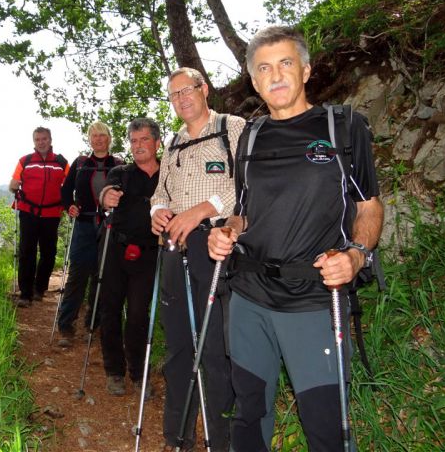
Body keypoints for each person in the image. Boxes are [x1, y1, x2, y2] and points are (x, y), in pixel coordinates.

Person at [207, 26, 384, 451]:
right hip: (249, 297)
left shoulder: (341, 126)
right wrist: (227, 231)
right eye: (264, 68)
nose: (276, 75)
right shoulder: (249, 136)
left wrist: (357, 256)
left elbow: (369, 206)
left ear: (306, 70)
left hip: (313, 298)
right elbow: (245, 212)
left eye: (286, 63)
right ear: (254, 81)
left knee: (326, 427)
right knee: (249, 415)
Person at [150, 67, 246, 452]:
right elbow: (161, 191)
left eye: (186, 90)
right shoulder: (171, 143)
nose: (181, 99)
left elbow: (248, 185)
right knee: (177, 347)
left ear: (204, 89)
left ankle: (221, 440)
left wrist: (201, 211)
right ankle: (177, 437)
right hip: (175, 250)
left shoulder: (232, 128)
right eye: (173, 95)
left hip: (217, 246)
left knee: (216, 349)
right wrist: (156, 211)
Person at [97, 118, 161, 397]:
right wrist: (105, 197)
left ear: (157, 143)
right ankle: (114, 372)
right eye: (133, 141)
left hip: (149, 255)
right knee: (109, 309)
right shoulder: (120, 172)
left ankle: (138, 373)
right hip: (116, 250)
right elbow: (106, 192)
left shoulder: (169, 174)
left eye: (144, 140)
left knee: (137, 314)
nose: (138, 146)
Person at [56, 121, 123, 347]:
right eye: (94, 136)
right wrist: (70, 206)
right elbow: (66, 191)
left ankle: (92, 326)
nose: (98, 139)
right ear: (89, 139)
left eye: (102, 135)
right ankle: (66, 325)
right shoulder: (81, 163)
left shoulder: (119, 165)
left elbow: (127, 196)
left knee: (101, 276)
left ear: (109, 138)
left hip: (109, 227)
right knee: (77, 275)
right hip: (84, 225)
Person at [9, 126, 69, 308]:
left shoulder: (61, 162)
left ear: (50, 140)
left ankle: (39, 289)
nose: (41, 142)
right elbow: (13, 184)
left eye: (44, 139)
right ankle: (25, 293)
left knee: (48, 253)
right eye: (37, 139)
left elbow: (68, 185)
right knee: (27, 251)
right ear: (34, 142)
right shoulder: (25, 161)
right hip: (29, 211)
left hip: (51, 213)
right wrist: (14, 187)